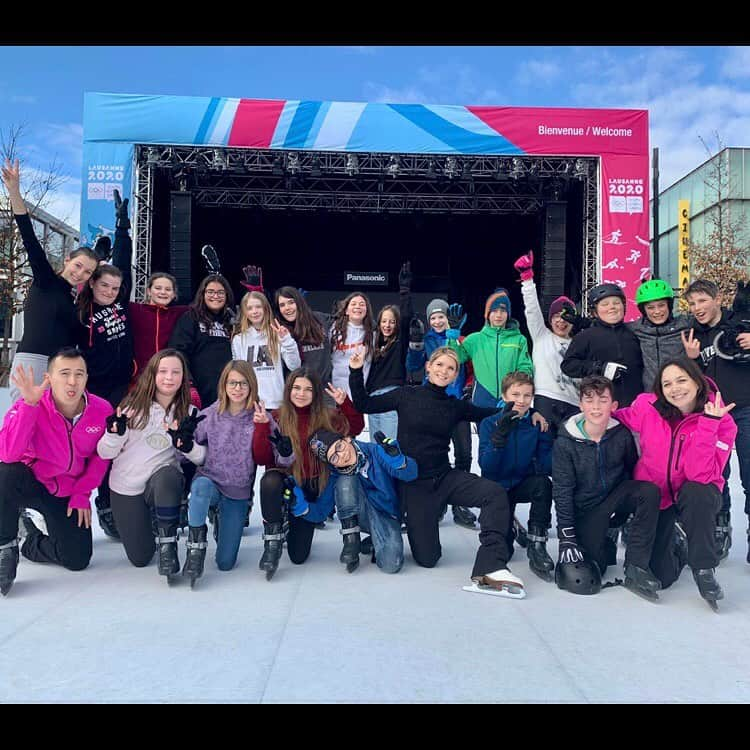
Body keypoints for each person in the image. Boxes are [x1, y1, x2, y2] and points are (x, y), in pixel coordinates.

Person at [350, 345, 525, 598]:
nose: (444, 371)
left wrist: (511, 409)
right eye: (440, 365)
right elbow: (364, 403)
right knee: (428, 559)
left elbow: (486, 413)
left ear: (455, 375)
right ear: (429, 367)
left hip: (445, 477)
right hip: (416, 485)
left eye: (451, 368)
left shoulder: (455, 406)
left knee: (493, 493)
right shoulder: (406, 395)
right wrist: (355, 371)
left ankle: (492, 566)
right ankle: (401, 527)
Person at [613, 358, 737, 610]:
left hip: (695, 494)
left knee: (697, 491)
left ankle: (703, 568)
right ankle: (678, 542)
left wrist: (708, 425)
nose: (675, 389)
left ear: (697, 382)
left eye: (682, 380)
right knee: (662, 576)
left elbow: (700, 475)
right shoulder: (648, 406)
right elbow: (618, 417)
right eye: (667, 383)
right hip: (658, 496)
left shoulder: (723, 421)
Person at [0, 348, 112, 595]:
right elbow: (7, 454)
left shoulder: (101, 410)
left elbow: (101, 457)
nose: (72, 381)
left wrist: (82, 493)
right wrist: (30, 405)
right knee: (5, 473)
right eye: (64, 373)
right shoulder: (32, 403)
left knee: (77, 559)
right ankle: (5, 545)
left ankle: (30, 539)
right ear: (49, 378)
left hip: (65, 491)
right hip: (31, 482)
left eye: (79, 374)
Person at [96, 349, 203, 583]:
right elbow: (104, 452)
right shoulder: (131, 408)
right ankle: (151, 524)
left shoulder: (190, 413)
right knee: (140, 557)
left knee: (168, 476)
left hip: (161, 482)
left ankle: (167, 545)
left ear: (183, 377)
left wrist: (188, 447)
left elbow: (202, 459)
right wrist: (114, 434)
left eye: (176, 372)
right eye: (163, 371)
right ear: (152, 375)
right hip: (126, 486)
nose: (169, 377)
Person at [552, 375, 662, 601]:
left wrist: (624, 514)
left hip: (614, 498)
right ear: (580, 404)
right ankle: (602, 540)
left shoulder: (620, 434)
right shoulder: (565, 442)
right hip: (587, 510)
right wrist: (567, 537)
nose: (595, 407)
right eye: (589, 400)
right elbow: (562, 491)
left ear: (613, 406)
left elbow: (632, 472)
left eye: (602, 400)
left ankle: (636, 567)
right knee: (596, 569)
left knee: (648, 491)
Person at [1, 159, 99, 402]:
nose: (80, 274)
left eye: (87, 272)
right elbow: (28, 237)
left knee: (52, 428)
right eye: (78, 266)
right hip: (32, 363)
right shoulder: (46, 280)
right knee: (24, 423)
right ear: (67, 260)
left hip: (60, 368)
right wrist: (14, 191)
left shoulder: (75, 300)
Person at [180, 360, 283, 586]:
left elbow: (280, 456)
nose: (237, 388)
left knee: (225, 563)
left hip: (237, 492)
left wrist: (283, 449)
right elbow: (183, 451)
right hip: (211, 482)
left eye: (243, 383)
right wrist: (182, 441)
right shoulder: (209, 415)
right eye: (232, 383)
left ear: (252, 386)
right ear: (224, 385)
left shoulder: (260, 416)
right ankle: (195, 549)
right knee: (200, 487)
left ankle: (220, 518)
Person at [257, 367, 364, 580]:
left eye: (308, 389)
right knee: (269, 480)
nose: (301, 393)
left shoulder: (327, 416)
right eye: (296, 388)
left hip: (312, 487)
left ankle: (293, 521)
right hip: (284, 481)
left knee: (298, 556)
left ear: (315, 393)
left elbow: (356, 427)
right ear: (288, 390)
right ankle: (273, 541)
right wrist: (261, 427)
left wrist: (345, 404)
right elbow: (262, 458)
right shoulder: (276, 417)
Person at [682, 279, 750, 563]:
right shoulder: (691, 335)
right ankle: (720, 526)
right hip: (712, 415)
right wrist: (692, 360)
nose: (698, 308)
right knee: (715, 475)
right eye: (693, 303)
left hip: (745, 409)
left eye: (702, 301)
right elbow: (690, 380)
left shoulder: (742, 321)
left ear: (717, 297)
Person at [405, 297, 478, 529]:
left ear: (449, 318)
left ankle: (459, 503)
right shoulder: (426, 340)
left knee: (464, 453)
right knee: (435, 455)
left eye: (441, 316)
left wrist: (469, 386)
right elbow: (413, 366)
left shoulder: (460, 339)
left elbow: (469, 364)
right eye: (433, 317)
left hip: (457, 404)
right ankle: (439, 500)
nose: (437, 321)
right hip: (433, 405)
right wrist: (415, 345)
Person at [478, 371, 554, 581]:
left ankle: (537, 544)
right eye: (516, 394)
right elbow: (487, 467)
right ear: (504, 396)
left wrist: (550, 436)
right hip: (496, 490)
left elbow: (548, 465)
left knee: (543, 484)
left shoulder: (536, 424)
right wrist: (499, 438)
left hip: (522, 482)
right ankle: (509, 524)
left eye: (527, 395)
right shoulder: (489, 423)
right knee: (504, 552)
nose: (521, 400)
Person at [308, 429, 418, 574]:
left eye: (339, 447)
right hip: (358, 514)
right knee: (345, 479)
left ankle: (374, 540)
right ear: (332, 464)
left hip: (384, 513)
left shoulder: (375, 452)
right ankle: (351, 540)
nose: (342, 456)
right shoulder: (336, 473)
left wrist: (398, 460)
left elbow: (411, 474)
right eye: (334, 458)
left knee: (391, 564)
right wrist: (299, 506)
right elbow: (321, 511)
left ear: (347, 439)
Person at [513, 250, 579, 434]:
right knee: (543, 450)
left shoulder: (580, 343)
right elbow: (532, 309)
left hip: (574, 403)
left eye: (566, 317)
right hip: (546, 400)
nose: (561, 321)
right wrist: (527, 278)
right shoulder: (542, 336)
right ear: (550, 319)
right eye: (556, 316)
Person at [447, 287, 533, 408]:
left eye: (503, 311)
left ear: (508, 314)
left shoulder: (519, 339)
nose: (499, 315)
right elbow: (456, 358)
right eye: (494, 311)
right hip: (482, 398)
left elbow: (525, 368)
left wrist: (514, 394)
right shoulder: (475, 339)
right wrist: (453, 336)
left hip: (509, 399)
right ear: (487, 314)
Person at [561, 283, 644, 408]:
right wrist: (599, 368)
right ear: (595, 311)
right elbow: (568, 365)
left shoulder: (634, 332)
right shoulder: (585, 336)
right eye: (605, 304)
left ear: (624, 307)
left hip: (636, 406)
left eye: (616, 303)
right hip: (602, 407)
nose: (612, 307)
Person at [168, 274, 235, 408]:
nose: (215, 296)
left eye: (220, 292)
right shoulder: (190, 317)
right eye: (210, 292)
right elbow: (178, 352)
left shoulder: (233, 321)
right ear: (202, 294)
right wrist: (189, 383)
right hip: (200, 390)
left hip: (230, 390)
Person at [231, 291, 301, 409]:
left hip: (276, 404)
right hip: (250, 404)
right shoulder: (239, 339)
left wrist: (287, 340)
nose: (254, 311)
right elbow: (238, 374)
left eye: (258, 307)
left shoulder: (277, 334)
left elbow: (295, 366)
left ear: (266, 309)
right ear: (245, 312)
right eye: (249, 308)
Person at [628, 278, 691, 391]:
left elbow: (712, 319)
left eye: (661, 305)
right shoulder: (636, 328)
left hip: (679, 392)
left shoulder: (685, 324)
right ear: (643, 310)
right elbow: (612, 329)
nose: (657, 311)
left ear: (669, 305)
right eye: (650, 307)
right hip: (651, 394)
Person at [329, 291, 375, 398]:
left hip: (358, 393)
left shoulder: (373, 334)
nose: (358, 307)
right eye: (353, 304)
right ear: (346, 311)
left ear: (367, 310)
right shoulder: (334, 330)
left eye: (362, 304)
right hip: (334, 392)